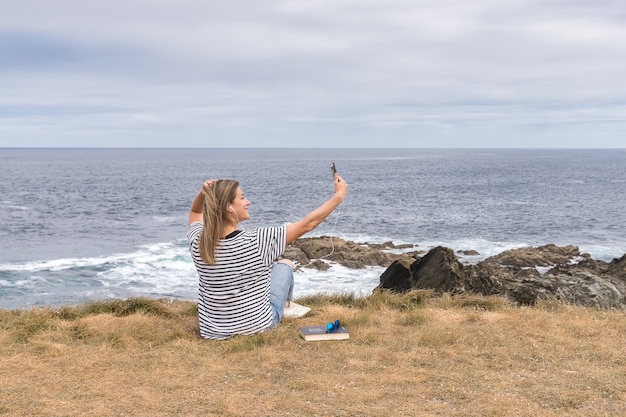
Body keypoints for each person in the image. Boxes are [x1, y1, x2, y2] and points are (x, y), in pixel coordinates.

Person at [188, 172, 348, 340]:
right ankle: (285, 305)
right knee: (284, 264)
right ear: (229, 207)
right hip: (257, 326)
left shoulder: (199, 243)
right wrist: (339, 196)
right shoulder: (258, 241)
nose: (248, 202)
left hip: (213, 333)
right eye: (242, 198)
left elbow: (195, 212)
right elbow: (308, 224)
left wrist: (203, 194)